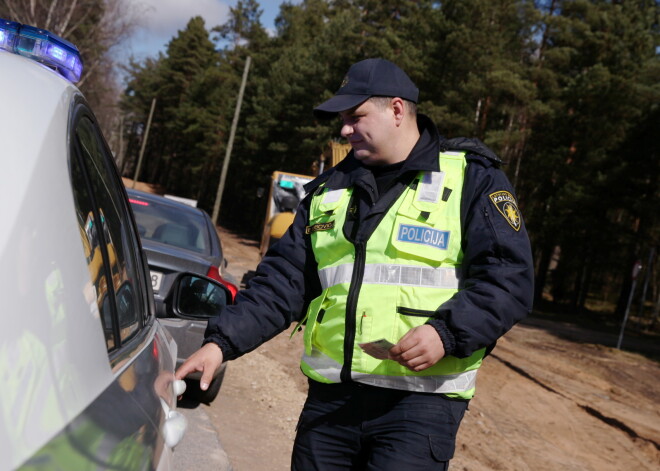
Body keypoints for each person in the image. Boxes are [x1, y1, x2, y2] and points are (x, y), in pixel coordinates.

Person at [176, 58, 534, 470]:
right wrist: (220, 344)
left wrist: (445, 333)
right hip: (331, 405)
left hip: (418, 409)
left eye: (356, 116)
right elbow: (282, 282)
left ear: (397, 110)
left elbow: (509, 278)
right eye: (342, 119)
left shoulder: (472, 178)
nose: (344, 129)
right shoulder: (330, 190)